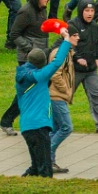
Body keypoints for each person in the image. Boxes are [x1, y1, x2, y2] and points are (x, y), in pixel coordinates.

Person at [16, 35, 75, 178]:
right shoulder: (39, 76)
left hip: (26, 126)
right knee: (45, 170)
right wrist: (66, 41)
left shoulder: (23, 74)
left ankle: (27, 180)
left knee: (36, 166)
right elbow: (56, 62)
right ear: (42, 64)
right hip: (39, 126)